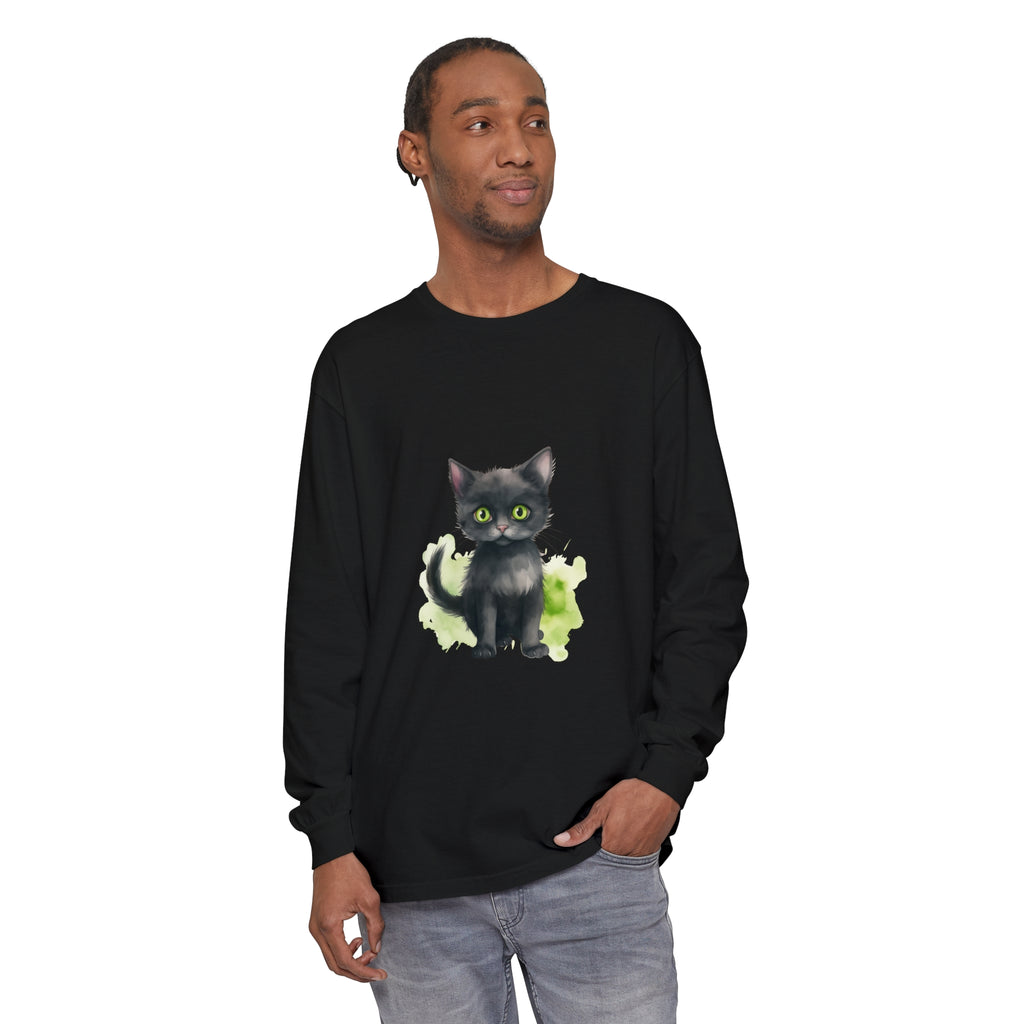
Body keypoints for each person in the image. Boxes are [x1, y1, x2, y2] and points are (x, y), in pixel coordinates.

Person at [283, 37, 749, 1024]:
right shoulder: (363, 369)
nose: (519, 146)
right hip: (410, 875)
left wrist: (664, 775)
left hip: (598, 858)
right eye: (481, 122)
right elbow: (326, 617)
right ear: (414, 152)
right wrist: (329, 838)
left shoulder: (643, 345)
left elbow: (705, 579)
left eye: (536, 119)